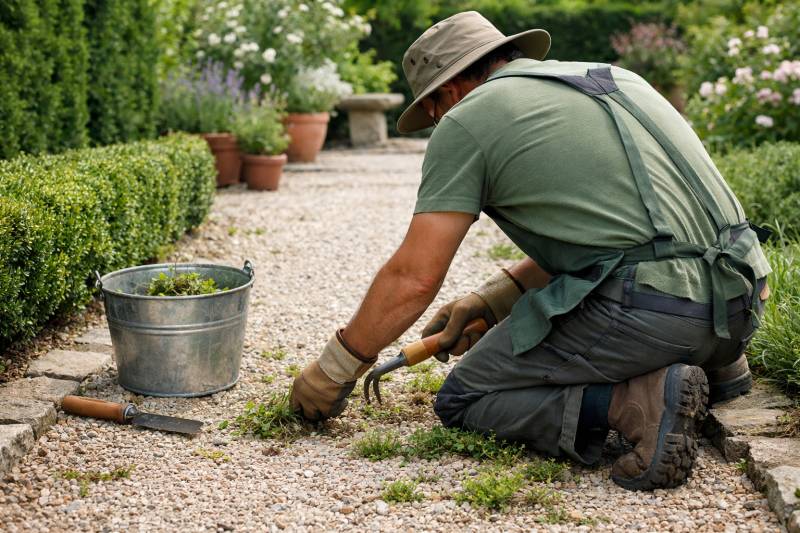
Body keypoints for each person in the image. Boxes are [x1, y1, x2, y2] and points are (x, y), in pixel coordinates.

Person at [291, 11, 771, 491]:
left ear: (449, 91)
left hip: (661, 311)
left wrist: (335, 367)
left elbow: (413, 278)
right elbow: (629, 226)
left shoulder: (467, 119)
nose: (436, 121)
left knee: (464, 396)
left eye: (432, 109)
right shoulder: (613, 77)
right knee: (659, 282)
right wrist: (496, 298)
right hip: (743, 298)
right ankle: (717, 363)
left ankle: (637, 400)